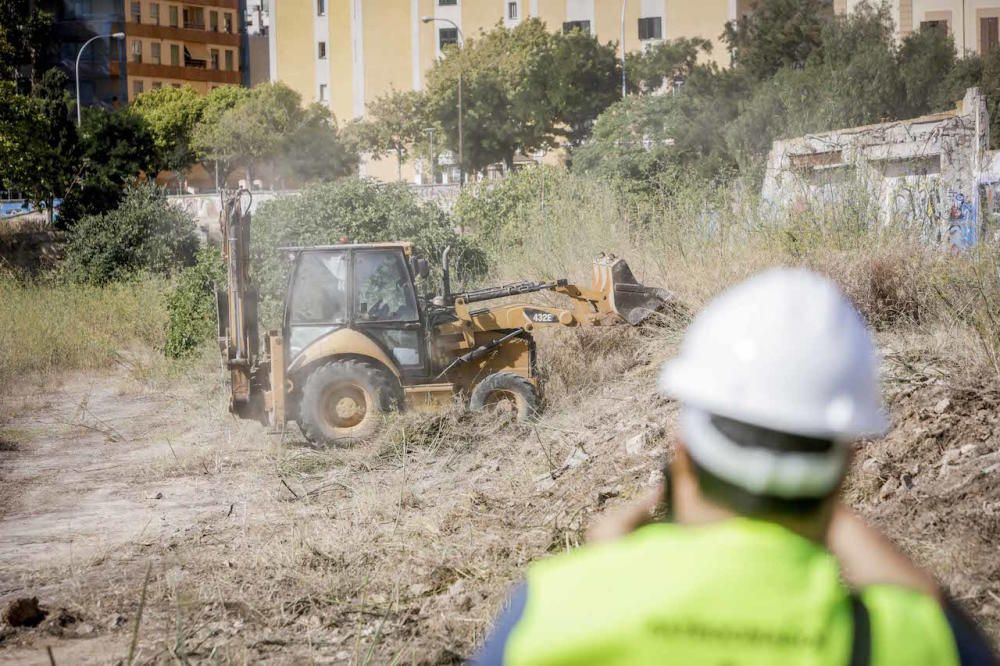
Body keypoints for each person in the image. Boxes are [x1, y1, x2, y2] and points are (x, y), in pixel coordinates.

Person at [472, 268, 997, 666]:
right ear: (845, 463)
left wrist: (599, 576)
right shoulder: (905, 639)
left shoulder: (549, 612)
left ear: (681, 453)